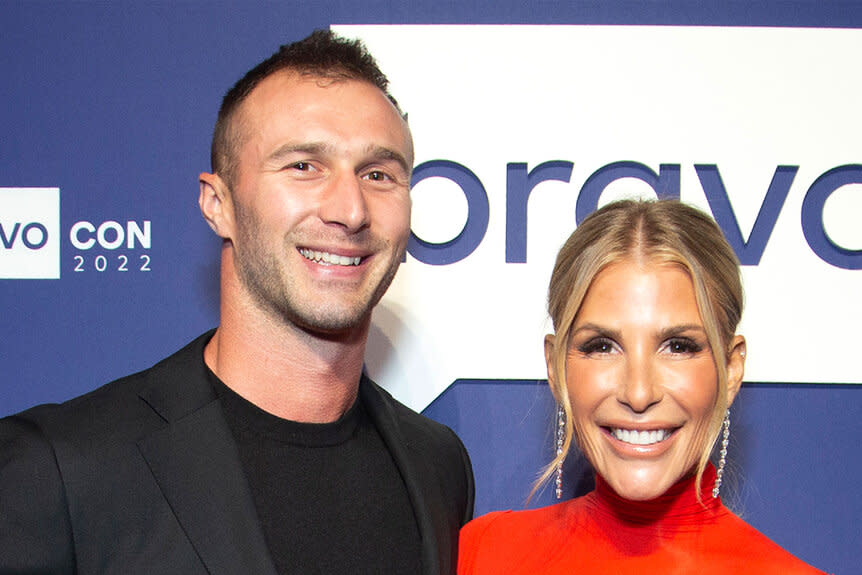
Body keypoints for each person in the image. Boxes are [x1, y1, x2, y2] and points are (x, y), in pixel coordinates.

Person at [0, 30, 473, 574]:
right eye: (303, 166)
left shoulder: (438, 466)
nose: (350, 209)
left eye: (378, 174)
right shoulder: (58, 468)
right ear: (218, 203)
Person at [458, 199, 825, 574]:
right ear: (555, 366)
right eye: (602, 346)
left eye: (678, 347)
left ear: (730, 369)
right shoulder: (484, 553)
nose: (638, 393)